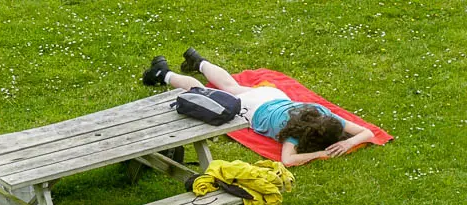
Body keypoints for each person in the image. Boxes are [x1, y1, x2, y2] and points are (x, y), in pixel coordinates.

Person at [142, 48, 375, 166]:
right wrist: (323, 152)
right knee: (201, 93)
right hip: (253, 108)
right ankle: (163, 74)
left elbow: (367, 133)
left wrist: (348, 140)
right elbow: (288, 160)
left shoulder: (323, 114)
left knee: (230, 86)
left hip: (272, 95)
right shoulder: (294, 135)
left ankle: (199, 62)